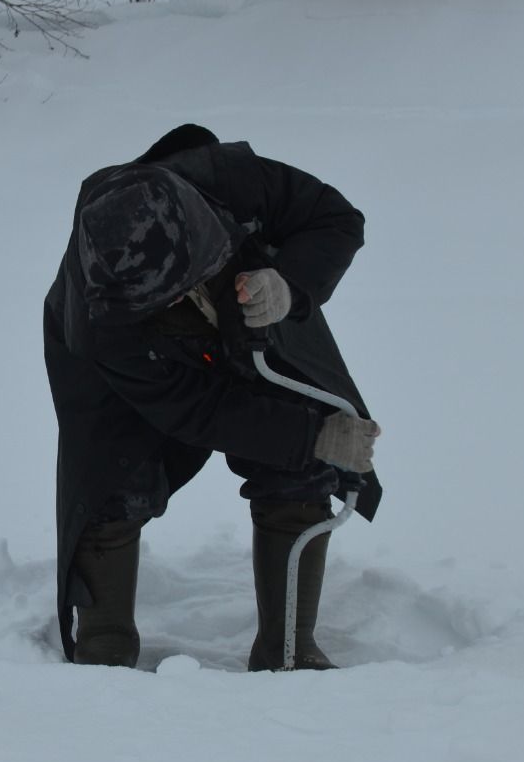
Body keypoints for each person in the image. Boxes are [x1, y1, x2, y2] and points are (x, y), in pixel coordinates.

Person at [42, 124, 382, 670]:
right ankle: (103, 647)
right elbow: (199, 409)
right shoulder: (102, 322)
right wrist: (312, 437)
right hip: (124, 371)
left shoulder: (227, 181)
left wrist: (289, 284)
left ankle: (288, 650)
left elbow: (336, 218)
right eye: (174, 297)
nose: (190, 298)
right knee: (109, 476)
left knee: (300, 464)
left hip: (256, 319)